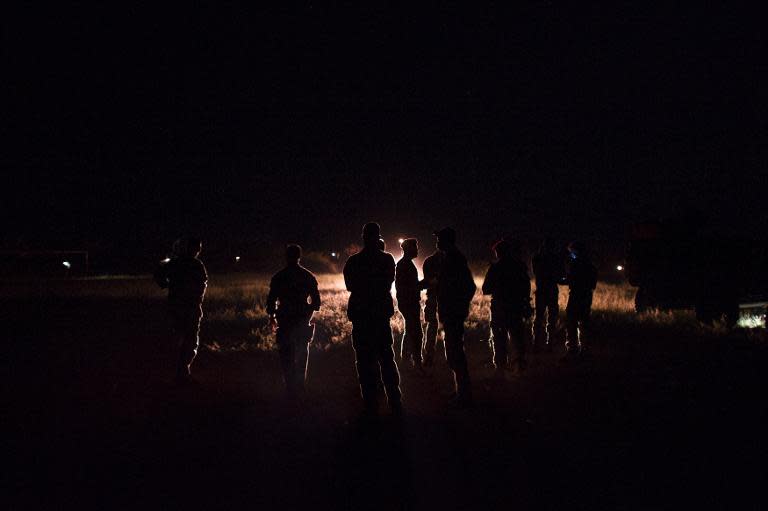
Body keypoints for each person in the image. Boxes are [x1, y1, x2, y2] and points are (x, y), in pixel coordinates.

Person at [343, 222, 402, 415]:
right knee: (386, 358)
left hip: (361, 316)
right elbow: (387, 283)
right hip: (379, 316)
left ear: (363, 236)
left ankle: (370, 403)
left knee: (364, 361)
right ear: (378, 236)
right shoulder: (387, 259)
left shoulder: (353, 261)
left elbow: (350, 286)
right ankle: (394, 401)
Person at [266, 244, 321, 396]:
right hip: (301, 319)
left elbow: (271, 302)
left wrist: (273, 317)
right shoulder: (308, 276)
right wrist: (306, 313)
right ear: (299, 256)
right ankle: (300, 385)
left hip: (284, 320)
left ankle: (290, 386)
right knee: (302, 353)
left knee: (286, 354)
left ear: (286, 256)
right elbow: (316, 303)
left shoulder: (279, 277)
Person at [154, 237, 208, 384]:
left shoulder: (175, 263)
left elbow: (159, 274)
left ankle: (180, 371)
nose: (198, 251)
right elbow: (203, 283)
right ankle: (182, 371)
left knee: (179, 338)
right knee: (189, 340)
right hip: (189, 306)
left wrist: (165, 284)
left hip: (178, 306)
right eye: (197, 248)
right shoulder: (196, 264)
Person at [434, 227, 476, 407]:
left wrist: (457, 306)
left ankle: (464, 395)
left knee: (455, 353)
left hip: (453, 314)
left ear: (446, 240)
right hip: (451, 313)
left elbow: (469, 287)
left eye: (439, 239)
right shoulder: (450, 258)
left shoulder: (454, 259)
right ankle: (461, 391)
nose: (436, 242)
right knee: (453, 352)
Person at [482, 238, 532, 376]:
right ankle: (519, 366)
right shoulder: (519, 266)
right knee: (517, 337)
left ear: (499, 253)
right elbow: (526, 287)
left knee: (499, 338)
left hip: (500, 307)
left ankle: (500, 368)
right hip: (516, 306)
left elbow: (486, 289)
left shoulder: (495, 268)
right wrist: (525, 303)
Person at [395, 238, 426, 370]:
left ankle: (406, 360)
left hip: (406, 302)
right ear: (409, 249)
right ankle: (417, 363)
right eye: (415, 247)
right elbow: (411, 286)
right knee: (416, 332)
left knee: (410, 330)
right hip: (409, 303)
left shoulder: (404, 264)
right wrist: (428, 282)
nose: (418, 250)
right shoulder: (405, 265)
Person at [564, 241, 598, 358]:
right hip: (586, 296)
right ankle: (585, 350)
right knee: (584, 323)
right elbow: (593, 284)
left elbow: (570, 279)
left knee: (572, 322)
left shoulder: (575, 264)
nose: (570, 254)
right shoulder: (591, 265)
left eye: (572, 252)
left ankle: (572, 349)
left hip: (576, 296)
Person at [532, 238, 564, 349]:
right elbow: (560, 275)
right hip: (551, 290)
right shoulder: (555, 259)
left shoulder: (537, 258)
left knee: (539, 317)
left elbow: (536, 272)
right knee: (551, 317)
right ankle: (550, 342)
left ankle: (536, 342)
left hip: (541, 290)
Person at [421, 244, 444, 367]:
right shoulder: (450, 260)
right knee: (448, 327)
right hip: (444, 299)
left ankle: (429, 355)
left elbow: (427, 281)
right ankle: (452, 357)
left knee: (432, 325)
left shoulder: (429, 261)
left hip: (433, 297)